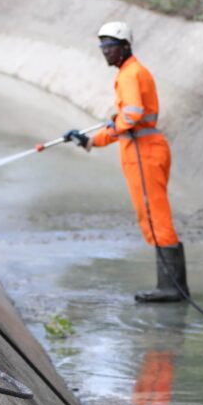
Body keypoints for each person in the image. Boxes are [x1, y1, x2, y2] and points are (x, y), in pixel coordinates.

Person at [64, 21, 188, 302]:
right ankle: (172, 287)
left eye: (110, 47)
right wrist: (93, 140)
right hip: (142, 150)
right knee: (151, 215)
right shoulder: (131, 72)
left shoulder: (131, 74)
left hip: (145, 154)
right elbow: (126, 122)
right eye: (102, 47)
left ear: (125, 47)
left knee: (155, 217)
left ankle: (171, 288)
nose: (105, 52)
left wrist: (112, 126)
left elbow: (131, 116)